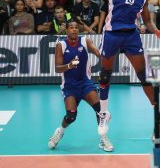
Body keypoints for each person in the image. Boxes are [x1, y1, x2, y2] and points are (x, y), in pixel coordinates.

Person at [68, 0, 160, 137]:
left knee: (144, 77)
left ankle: (158, 117)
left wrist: (155, 29)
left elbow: (147, 19)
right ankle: (103, 114)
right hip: (112, 34)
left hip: (131, 34)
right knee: (105, 75)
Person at [48, 20, 113, 152]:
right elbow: (57, 68)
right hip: (69, 86)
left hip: (85, 84)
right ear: (66, 30)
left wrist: (104, 53)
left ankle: (103, 138)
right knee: (71, 116)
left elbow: (97, 52)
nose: (74, 30)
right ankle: (59, 132)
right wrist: (69, 66)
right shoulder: (61, 44)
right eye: (71, 27)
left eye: (76, 28)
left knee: (100, 110)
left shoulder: (85, 40)